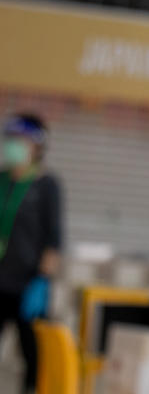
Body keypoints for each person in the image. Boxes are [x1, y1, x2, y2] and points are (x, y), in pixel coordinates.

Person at [0, 114, 63, 394]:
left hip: (27, 284)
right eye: (10, 139)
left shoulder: (47, 185)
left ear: (37, 147)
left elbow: (54, 238)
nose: (13, 145)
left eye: (20, 140)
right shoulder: (1, 180)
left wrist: (42, 281)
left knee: (31, 352)